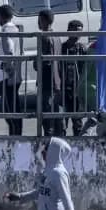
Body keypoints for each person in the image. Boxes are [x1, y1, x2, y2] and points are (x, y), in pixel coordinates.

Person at [6, 136, 79, 210]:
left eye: (46, 149)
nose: (43, 152)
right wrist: (20, 197)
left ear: (54, 151)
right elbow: (40, 191)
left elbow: (67, 200)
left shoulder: (59, 173)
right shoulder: (48, 171)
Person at [0, 5, 25, 136]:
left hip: (7, 77)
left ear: (0, 16)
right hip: (16, 75)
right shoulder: (17, 29)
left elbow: (9, 50)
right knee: (14, 108)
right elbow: (21, 51)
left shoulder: (5, 30)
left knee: (9, 111)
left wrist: (9, 69)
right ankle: (16, 135)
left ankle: (15, 138)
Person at [61, 21, 93, 136]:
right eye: (75, 31)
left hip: (77, 90)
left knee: (77, 123)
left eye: (80, 32)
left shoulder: (82, 49)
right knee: (61, 123)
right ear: (69, 31)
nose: (77, 35)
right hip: (63, 90)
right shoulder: (62, 49)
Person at [36, 9, 65, 137]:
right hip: (57, 80)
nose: (38, 22)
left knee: (46, 115)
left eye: (39, 19)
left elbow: (42, 62)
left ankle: (48, 141)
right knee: (57, 112)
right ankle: (60, 136)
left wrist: (35, 63)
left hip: (46, 80)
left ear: (44, 20)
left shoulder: (44, 37)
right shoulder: (57, 37)